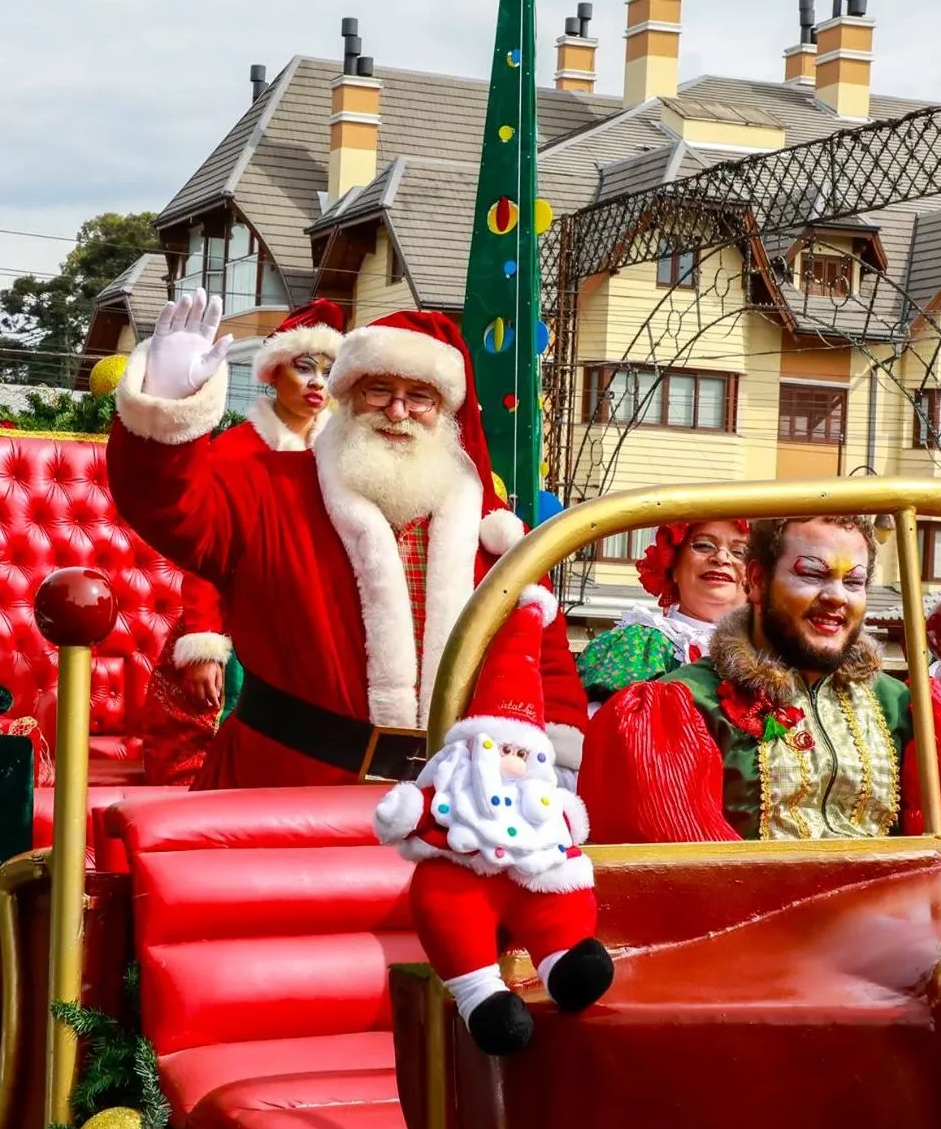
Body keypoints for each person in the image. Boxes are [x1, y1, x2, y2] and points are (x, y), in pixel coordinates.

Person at [110, 290, 586, 790]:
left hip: (450, 807)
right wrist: (169, 401)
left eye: (419, 396)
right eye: (379, 389)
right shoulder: (269, 487)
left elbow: (544, 661)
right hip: (281, 791)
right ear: (351, 396)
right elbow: (167, 508)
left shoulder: (496, 533)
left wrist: (552, 770)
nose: (397, 411)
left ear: (445, 410)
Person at [576, 515, 941, 842]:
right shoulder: (678, 704)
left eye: (854, 582)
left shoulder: (900, 704)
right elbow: (681, 880)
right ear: (756, 581)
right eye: (812, 574)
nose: (836, 597)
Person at [374, 586, 609, 1054]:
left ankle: (563, 961)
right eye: (504, 750)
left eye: (523, 753)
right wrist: (404, 810)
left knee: (565, 894)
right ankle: (480, 996)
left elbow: (572, 824)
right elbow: (411, 811)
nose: (514, 762)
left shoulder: (541, 792)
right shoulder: (452, 787)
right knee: (443, 896)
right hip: (463, 878)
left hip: (532, 874)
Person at [138, 299, 343, 784]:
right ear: (272, 373)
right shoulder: (231, 454)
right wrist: (206, 645)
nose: (318, 383)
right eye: (304, 367)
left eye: (329, 371)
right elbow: (204, 559)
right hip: (234, 624)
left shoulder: (343, 458)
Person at [577, 520, 750, 706]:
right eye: (704, 546)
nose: (722, 558)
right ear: (673, 566)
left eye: (739, 552)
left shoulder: (772, 651)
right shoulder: (641, 644)